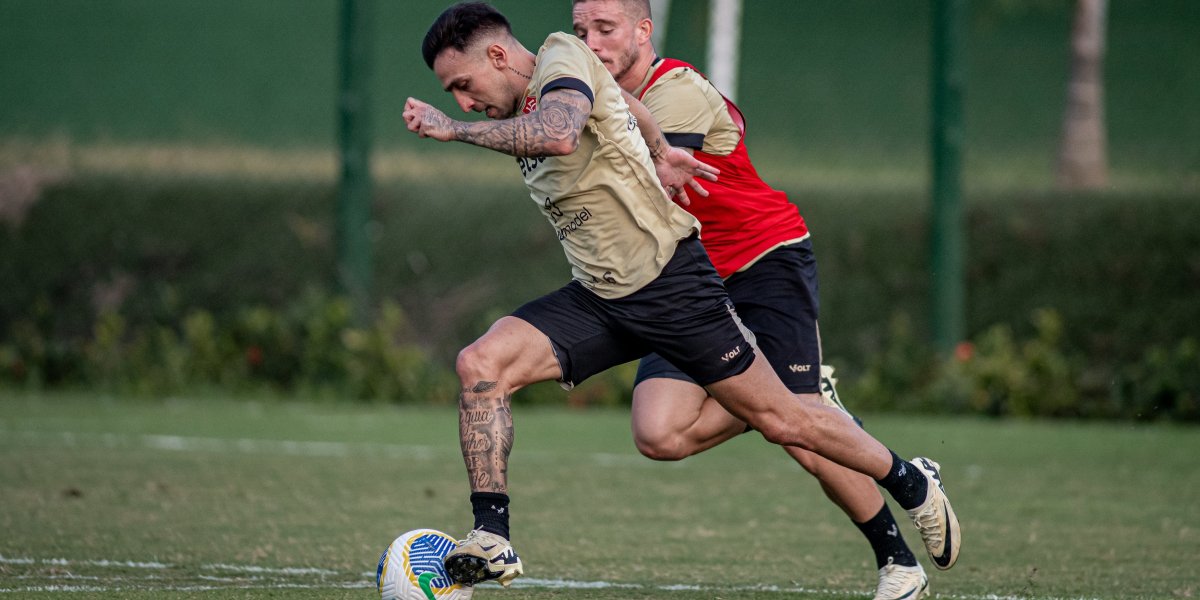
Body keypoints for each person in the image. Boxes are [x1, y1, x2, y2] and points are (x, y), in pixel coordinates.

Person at [403, 1, 960, 590]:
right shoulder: (568, 84)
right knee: (483, 364)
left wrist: (452, 128)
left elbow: (560, 135)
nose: (463, 101)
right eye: (583, 25)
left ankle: (910, 482)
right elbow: (626, 107)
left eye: (463, 86)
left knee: (788, 419)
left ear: (497, 55)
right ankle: (492, 538)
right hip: (602, 291)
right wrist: (660, 147)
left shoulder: (563, 61)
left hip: (681, 282)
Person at [570, 1, 943, 598]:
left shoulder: (677, 92)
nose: (591, 41)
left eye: (605, 29)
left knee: (797, 429)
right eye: (580, 30)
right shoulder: (592, 98)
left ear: (644, 30)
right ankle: (797, 400)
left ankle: (897, 562)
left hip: (762, 259)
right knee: (660, 434)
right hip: (688, 278)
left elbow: (650, 179)